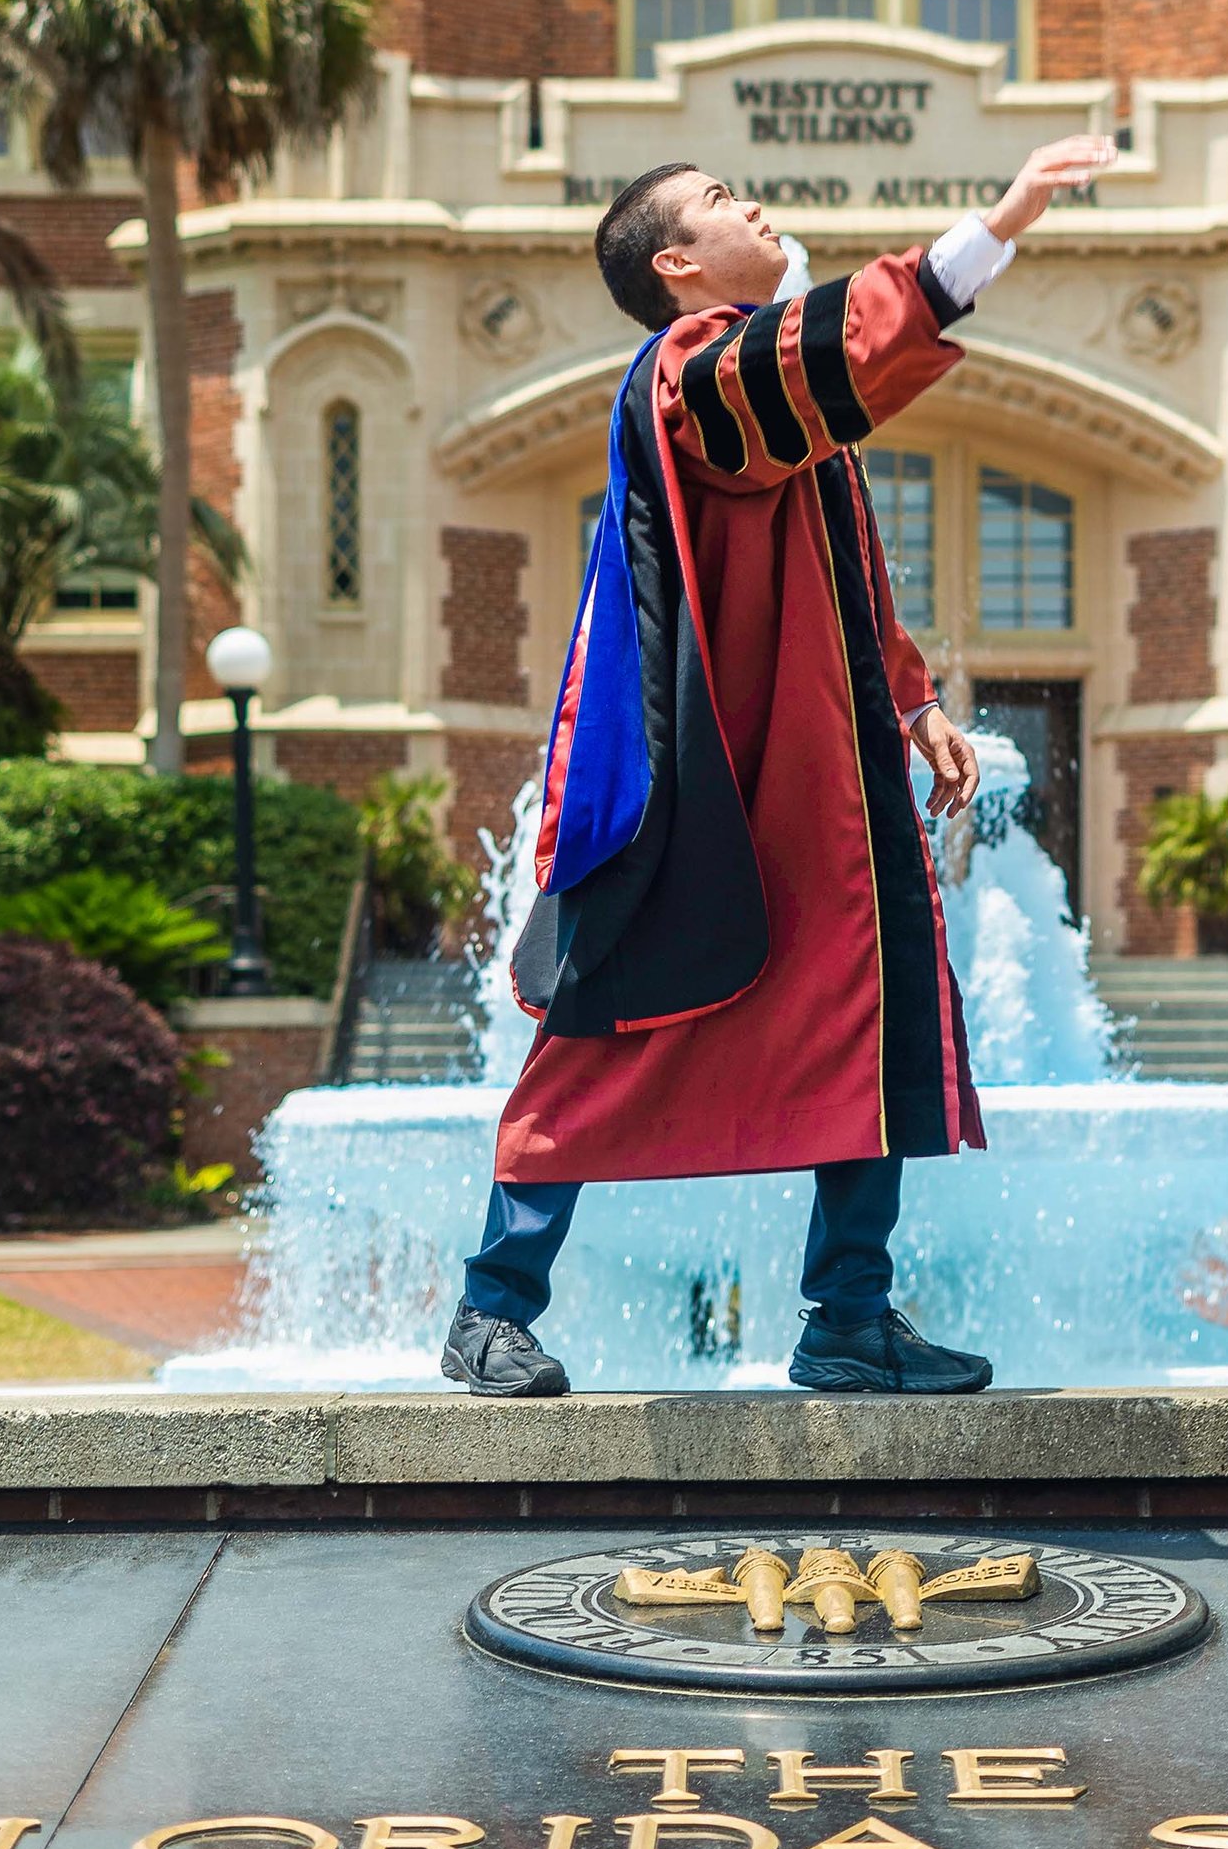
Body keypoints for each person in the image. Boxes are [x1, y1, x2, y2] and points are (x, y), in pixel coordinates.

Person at [441, 131, 1117, 1398]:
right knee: (612, 1019)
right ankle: (492, 1308)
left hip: (822, 789)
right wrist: (995, 228)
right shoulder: (690, 370)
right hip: (706, 790)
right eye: (716, 201)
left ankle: (850, 1318)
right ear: (682, 265)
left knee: (871, 1019)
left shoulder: (767, 392)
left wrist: (914, 707)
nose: (748, 201)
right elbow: (836, 347)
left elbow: (846, 574)